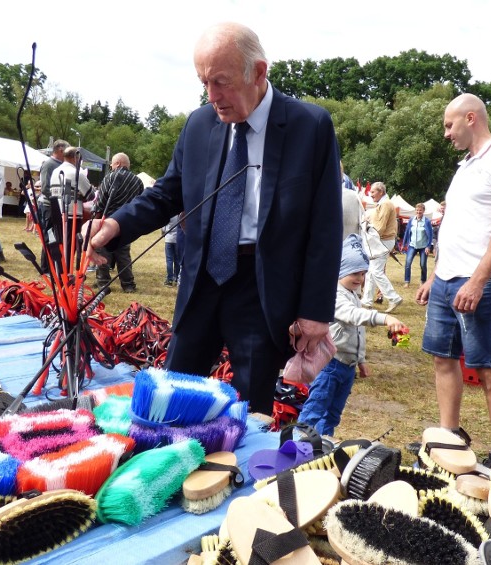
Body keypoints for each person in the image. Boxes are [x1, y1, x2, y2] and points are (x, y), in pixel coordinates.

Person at [84, 22, 342, 414]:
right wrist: (116, 226)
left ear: (258, 72)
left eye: (221, 82)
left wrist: (315, 311)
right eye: (204, 82)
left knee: (248, 409)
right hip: (202, 278)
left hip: (263, 288)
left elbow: (325, 227)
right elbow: (166, 193)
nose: (212, 96)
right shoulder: (199, 124)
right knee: (172, 394)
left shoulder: (311, 126)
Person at [416, 93, 491, 470]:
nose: (446, 134)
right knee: (443, 360)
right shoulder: (466, 166)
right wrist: (436, 276)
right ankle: (448, 440)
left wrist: (478, 281)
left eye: (449, 126)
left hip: (481, 280)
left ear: (470, 118)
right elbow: (459, 225)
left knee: (488, 368)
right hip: (449, 278)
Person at [297, 234, 405, 436]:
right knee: (315, 409)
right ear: (339, 271)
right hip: (330, 366)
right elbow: (353, 316)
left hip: (348, 367)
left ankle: (324, 441)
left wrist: (361, 360)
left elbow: (358, 332)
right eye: (354, 272)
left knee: (333, 413)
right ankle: (299, 445)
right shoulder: (335, 296)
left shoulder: (354, 295)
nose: (359, 278)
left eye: (363, 273)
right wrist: (384, 318)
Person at [92, 152, 144, 293]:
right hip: (127, 221)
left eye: (112, 164)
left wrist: (96, 216)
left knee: (103, 251)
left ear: (118, 163)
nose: (111, 166)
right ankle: (128, 284)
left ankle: (103, 282)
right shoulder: (137, 181)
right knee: (123, 254)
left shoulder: (109, 177)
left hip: (108, 219)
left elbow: (101, 200)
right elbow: (140, 202)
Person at [360, 181, 402, 312]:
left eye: (373, 192)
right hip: (384, 241)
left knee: (376, 271)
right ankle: (366, 302)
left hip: (383, 241)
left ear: (381, 192)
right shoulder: (383, 204)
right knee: (371, 272)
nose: (370, 194)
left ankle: (394, 298)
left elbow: (380, 227)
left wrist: (366, 226)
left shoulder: (385, 204)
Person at [36, 139, 70, 274]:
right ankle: (45, 269)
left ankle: (50, 267)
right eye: (66, 151)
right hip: (49, 206)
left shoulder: (59, 164)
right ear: (60, 150)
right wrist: (59, 198)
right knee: (50, 236)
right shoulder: (49, 164)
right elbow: (45, 188)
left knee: (54, 236)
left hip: (56, 206)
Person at [402, 202, 433, 288]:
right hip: (412, 245)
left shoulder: (426, 222)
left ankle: (423, 281)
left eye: (420, 210)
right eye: (417, 210)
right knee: (408, 263)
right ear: (415, 210)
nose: (418, 212)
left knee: (423, 264)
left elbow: (430, 235)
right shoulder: (411, 220)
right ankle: (407, 281)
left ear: (423, 211)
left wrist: (428, 246)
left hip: (423, 246)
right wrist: (404, 243)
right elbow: (407, 232)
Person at [162, 214, 184, 286]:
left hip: (168, 239)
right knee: (177, 260)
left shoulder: (169, 214)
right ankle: (177, 277)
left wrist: (163, 233)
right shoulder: (180, 214)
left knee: (169, 260)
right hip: (177, 239)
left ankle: (169, 279)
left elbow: (163, 228)